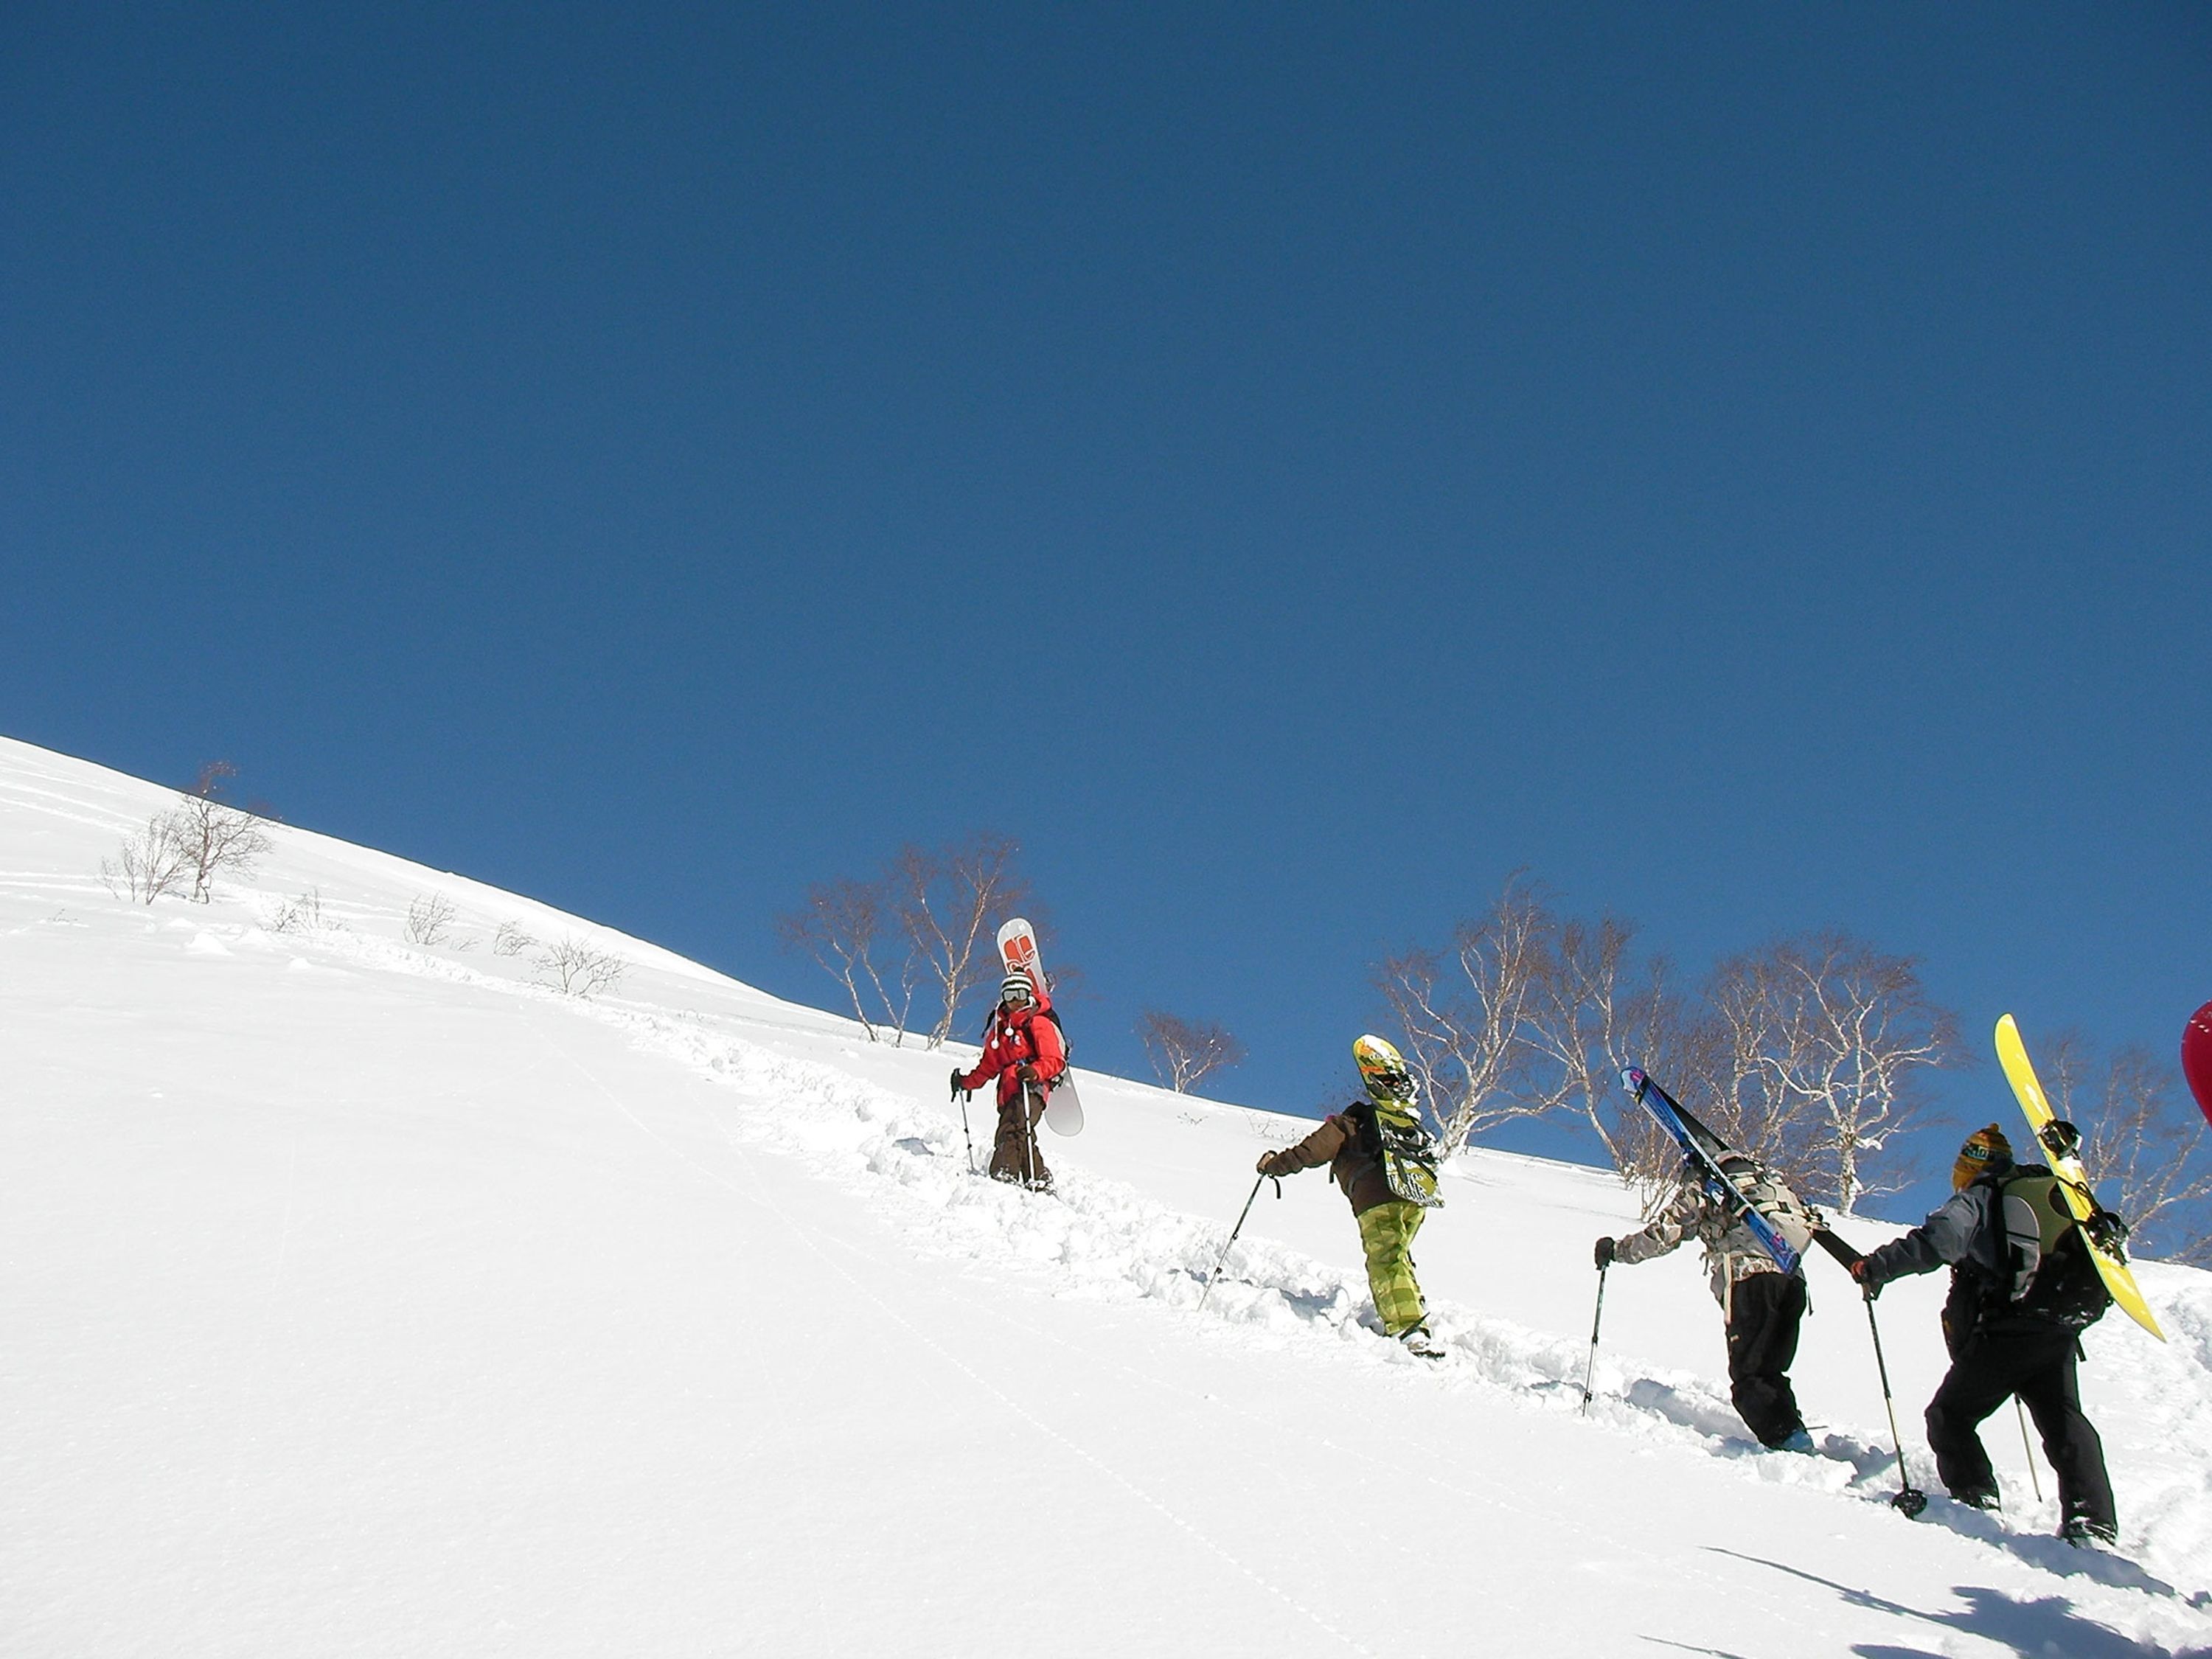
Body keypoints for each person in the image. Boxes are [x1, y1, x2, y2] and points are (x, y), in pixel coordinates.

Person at [1850, 1124, 2118, 1544]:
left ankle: (1976, 1502)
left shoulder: (1981, 1197)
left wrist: (1878, 1266)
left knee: (1949, 1416)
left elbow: (1940, 1240)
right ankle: (2092, 1522)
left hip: (2009, 1330)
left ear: (1968, 1167)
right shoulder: (2051, 1192)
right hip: (2059, 1329)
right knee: (2064, 1423)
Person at [1594, 1151, 1818, 1453]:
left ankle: (1787, 1442)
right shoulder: (1770, 1184)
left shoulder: (1711, 1183)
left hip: (1748, 1280)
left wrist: (1617, 1251)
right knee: (1769, 1371)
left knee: (1749, 1375)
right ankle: (1793, 1433)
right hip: (1793, 1284)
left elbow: (1666, 1233)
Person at [1256, 1037, 1444, 1360]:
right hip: (1413, 1196)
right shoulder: (1398, 1124)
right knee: (1398, 1253)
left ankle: (1409, 1328)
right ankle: (1412, 1308)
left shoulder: (1349, 1123)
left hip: (1375, 1195)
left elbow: (1310, 1152)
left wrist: (1273, 1165)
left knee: (1385, 1257)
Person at [951, 970, 1067, 1191]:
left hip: (1031, 1088)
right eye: (1010, 995)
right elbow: (988, 1068)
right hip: (1008, 1092)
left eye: (1020, 994)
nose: (1015, 1001)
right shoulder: (1000, 1031)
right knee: (1021, 1131)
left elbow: (1055, 1060)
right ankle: (1039, 1178)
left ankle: (1004, 1173)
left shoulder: (1037, 1022)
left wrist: (1035, 1071)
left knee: (1013, 1129)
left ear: (1029, 996)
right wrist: (965, 1082)